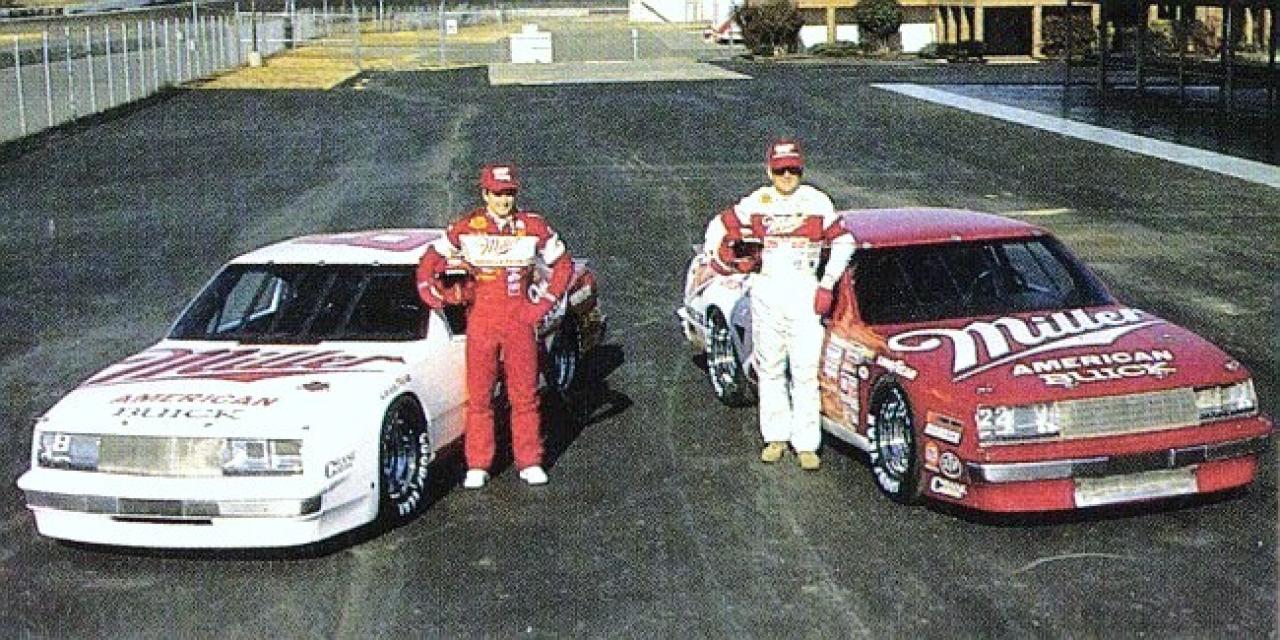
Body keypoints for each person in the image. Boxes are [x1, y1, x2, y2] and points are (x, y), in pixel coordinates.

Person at [417, 163, 572, 488]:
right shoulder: (466, 227)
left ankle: (529, 461)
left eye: (509, 193)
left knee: (525, 395)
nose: (504, 200)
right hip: (481, 323)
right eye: (498, 194)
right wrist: (432, 293)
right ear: (485, 194)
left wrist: (542, 305)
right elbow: (429, 262)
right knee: (479, 397)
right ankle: (478, 464)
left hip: (520, 322)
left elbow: (563, 266)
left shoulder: (533, 226)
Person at [703, 138, 853, 471]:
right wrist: (726, 260)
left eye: (793, 170)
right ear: (769, 171)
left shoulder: (817, 201)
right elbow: (718, 227)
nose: (787, 176)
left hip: (804, 294)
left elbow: (845, 241)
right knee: (769, 368)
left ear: (801, 170)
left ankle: (806, 444)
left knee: (804, 371)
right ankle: (775, 437)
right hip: (766, 292)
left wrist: (827, 283)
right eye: (781, 170)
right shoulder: (757, 201)